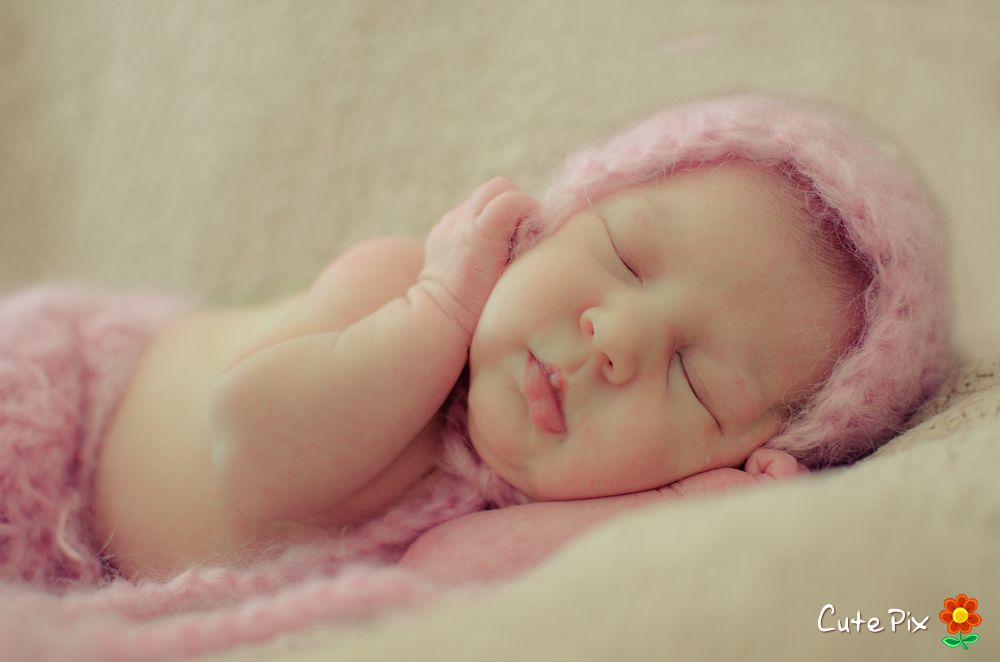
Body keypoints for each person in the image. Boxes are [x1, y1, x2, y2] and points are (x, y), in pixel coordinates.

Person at [0, 95, 951, 591]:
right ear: (549, 224)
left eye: (695, 384)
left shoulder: (536, 507)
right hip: (54, 420)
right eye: (622, 257)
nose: (617, 339)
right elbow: (253, 452)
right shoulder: (394, 288)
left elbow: (442, 580)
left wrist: (676, 517)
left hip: (64, 577)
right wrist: (434, 310)